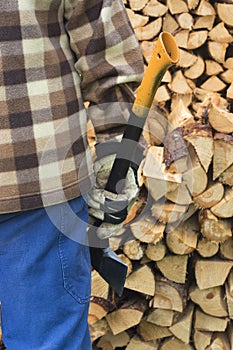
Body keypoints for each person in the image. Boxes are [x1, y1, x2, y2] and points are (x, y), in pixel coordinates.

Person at [0, 0, 144, 349]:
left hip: (40, 198)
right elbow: (108, 46)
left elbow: (105, 47)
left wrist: (117, 156)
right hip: (40, 180)